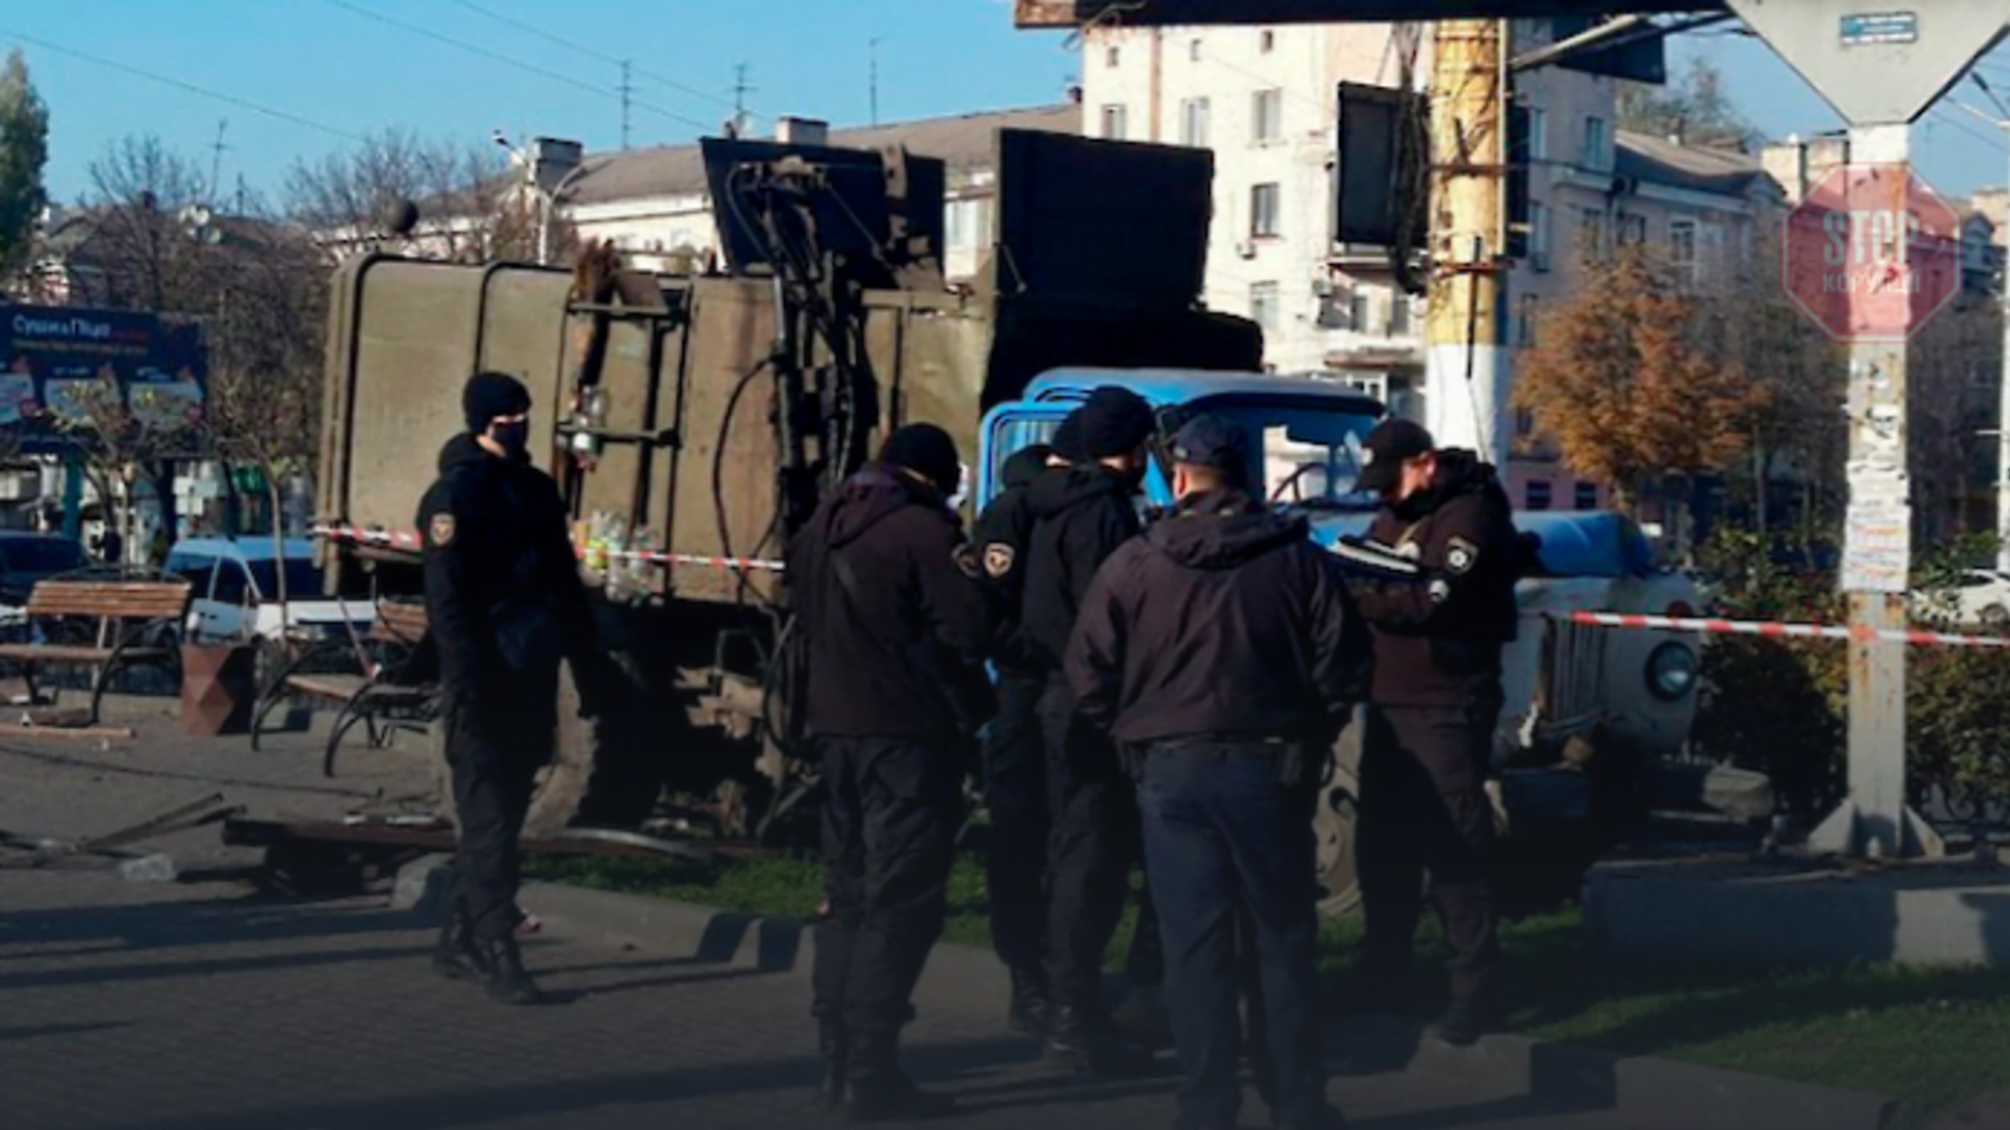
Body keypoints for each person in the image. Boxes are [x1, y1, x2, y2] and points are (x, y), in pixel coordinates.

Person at [1067, 413, 1371, 1130]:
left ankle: (1206, 1107)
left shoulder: (1136, 563)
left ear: (1178, 478)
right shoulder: (1298, 560)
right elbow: (1345, 665)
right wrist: (1308, 729)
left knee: (1193, 952)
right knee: (1282, 942)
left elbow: (1088, 671)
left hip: (1170, 772)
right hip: (1271, 767)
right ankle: (1296, 1104)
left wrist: (1131, 730)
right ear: (1249, 479)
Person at [788, 423, 996, 1122]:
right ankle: (870, 1071)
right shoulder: (922, 533)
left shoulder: (823, 524)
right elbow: (969, 629)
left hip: (835, 731)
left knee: (846, 895)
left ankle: (834, 1057)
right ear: (934, 475)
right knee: (902, 900)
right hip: (907, 737)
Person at [419, 371, 608, 1005]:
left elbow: (562, 586)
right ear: (482, 421)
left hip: (531, 674)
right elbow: (449, 607)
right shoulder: (454, 497)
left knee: (502, 819)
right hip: (483, 681)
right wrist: (465, 682)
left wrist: (590, 669)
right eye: (507, 415)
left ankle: (457, 937)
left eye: (525, 412)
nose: (520, 422)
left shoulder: (534, 490)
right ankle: (500, 954)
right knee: (489, 823)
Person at [1346, 417, 1525, 1045]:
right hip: (1392, 702)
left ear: (1423, 463)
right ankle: (1384, 969)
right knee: (1381, 846)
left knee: (1452, 846)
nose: (1382, 495)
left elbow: (1430, 602)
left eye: (1389, 479)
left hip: (1446, 703)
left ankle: (1476, 988)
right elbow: (1382, 569)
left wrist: (1357, 597)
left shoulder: (1467, 516)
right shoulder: (1398, 514)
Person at [1019, 385, 1161, 1075]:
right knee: (1094, 861)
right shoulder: (1104, 516)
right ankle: (1075, 1017)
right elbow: (1116, 617)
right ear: (1131, 451)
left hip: (1060, 695)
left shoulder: (1052, 507)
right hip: (1096, 704)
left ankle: (1071, 1001)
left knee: (1078, 851)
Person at [969, 427, 1071, 1038]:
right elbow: (985, 608)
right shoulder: (1017, 519)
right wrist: (1029, 651)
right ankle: (1034, 975)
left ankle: (1036, 976)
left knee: (1030, 837)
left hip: (1027, 692)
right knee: (1027, 837)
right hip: (1027, 691)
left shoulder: (1041, 519)